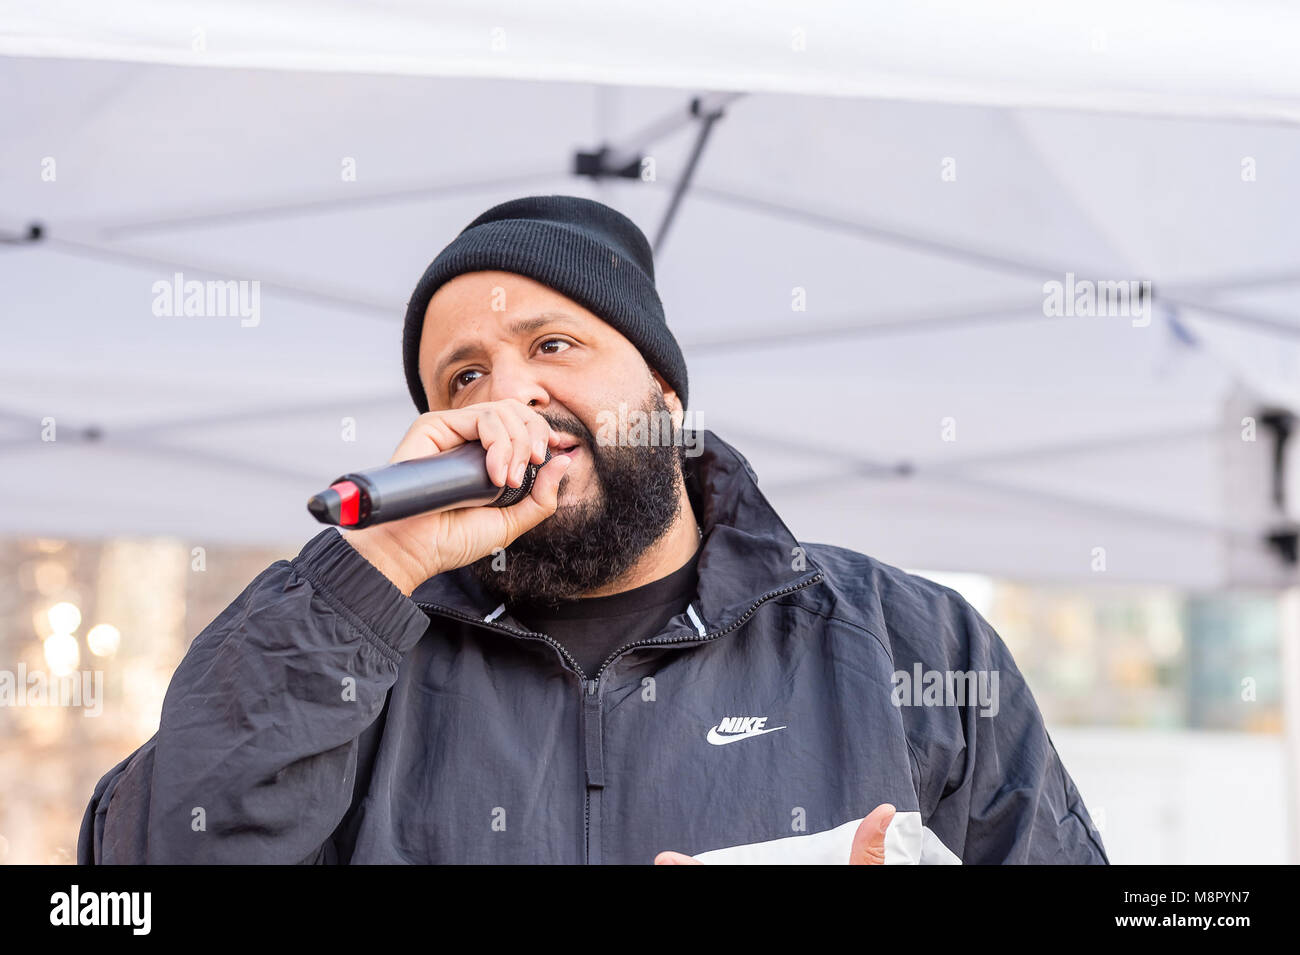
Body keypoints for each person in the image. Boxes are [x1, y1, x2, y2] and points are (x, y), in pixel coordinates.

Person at [78, 195, 1107, 865]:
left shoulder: (904, 639)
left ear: (660, 384)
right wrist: (374, 569)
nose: (509, 395)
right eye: (464, 375)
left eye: (554, 343)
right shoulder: (345, 647)